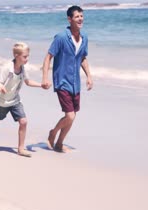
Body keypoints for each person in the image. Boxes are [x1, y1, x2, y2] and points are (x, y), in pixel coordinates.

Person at [42, 5, 93, 153]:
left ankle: (59, 143)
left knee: (72, 116)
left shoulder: (84, 38)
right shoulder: (61, 37)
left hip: (75, 83)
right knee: (70, 116)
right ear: (69, 19)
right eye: (77, 16)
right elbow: (48, 57)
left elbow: (83, 57)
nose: (80, 19)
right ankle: (53, 132)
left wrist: (89, 76)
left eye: (82, 16)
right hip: (62, 81)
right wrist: (45, 78)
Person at [0, 42, 48, 157]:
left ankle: (20, 148)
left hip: (15, 101)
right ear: (16, 55)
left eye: (28, 56)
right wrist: (0, 86)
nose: (27, 59)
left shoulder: (23, 68)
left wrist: (41, 85)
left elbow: (28, 82)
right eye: (25, 56)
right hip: (2, 101)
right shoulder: (7, 68)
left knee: (23, 121)